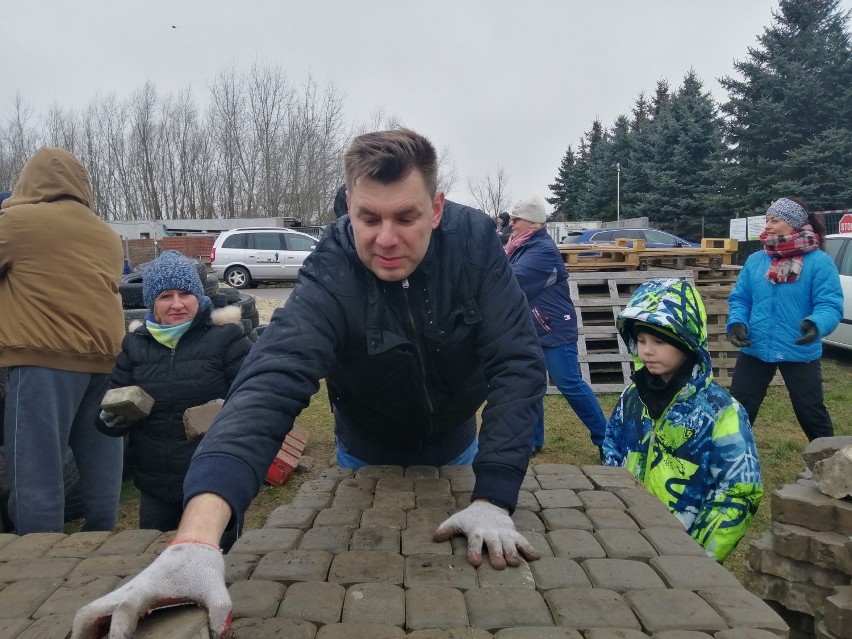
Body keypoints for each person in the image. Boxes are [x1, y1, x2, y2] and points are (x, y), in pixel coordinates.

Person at [73, 128, 547, 639]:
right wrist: (195, 541)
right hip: (362, 448)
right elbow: (269, 382)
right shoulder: (331, 267)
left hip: (458, 444)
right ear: (348, 207)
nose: (386, 239)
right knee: (366, 593)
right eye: (369, 218)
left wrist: (494, 495)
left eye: (406, 217)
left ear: (436, 208)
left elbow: (517, 362)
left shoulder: (475, 245)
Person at [0, 148, 125, 534]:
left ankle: (39, 561)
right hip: (107, 362)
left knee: (37, 468)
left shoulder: (18, 221)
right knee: (102, 461)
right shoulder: (106, 233)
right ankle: (103, 542)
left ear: (28, 182)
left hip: (44, 360)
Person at [602, 278, 763, 563]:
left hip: (683, 552)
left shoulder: (722, 412)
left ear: (687, 340)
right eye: (640, 340)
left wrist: (697, 560)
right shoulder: (633, 397)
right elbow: (612, 451)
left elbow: (737, 493)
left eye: (659, 341)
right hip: (626, 539)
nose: (646, 351)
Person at [98, 250, 252, 537]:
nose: (177, 304)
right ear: (151, 303)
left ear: (199, 297)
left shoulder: (227, 338)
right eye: (165, 296)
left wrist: (227, 409)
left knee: (218, 562)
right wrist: (112, 417)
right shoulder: (135, 345)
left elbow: (254, 398)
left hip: (213, 479)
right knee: (156, 560)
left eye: (185, 293)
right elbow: (108, 407)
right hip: (156, 484)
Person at [727, 197, 843, 442]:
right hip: (755, 347)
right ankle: (728, 462)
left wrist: (816, 324)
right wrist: (737, 323)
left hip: (798, 348)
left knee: (810, 411)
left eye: (775, 220)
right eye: (767, 219)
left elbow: (829, 305)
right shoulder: (756, 260)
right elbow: (741, 299)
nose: (767, 225)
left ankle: (832, 462)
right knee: (737, 410)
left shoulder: (819, 262)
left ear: (794, 224)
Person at [505, 195, 607, 458]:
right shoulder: (520, 246)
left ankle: (606, 438)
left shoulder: (542, 250)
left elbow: (515, 280)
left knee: (569, 383)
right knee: (531, 384)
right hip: (531, 328)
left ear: (534, 223)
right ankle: (533, 440)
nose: (511, 223)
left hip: (553, 328)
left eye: (517, 219)